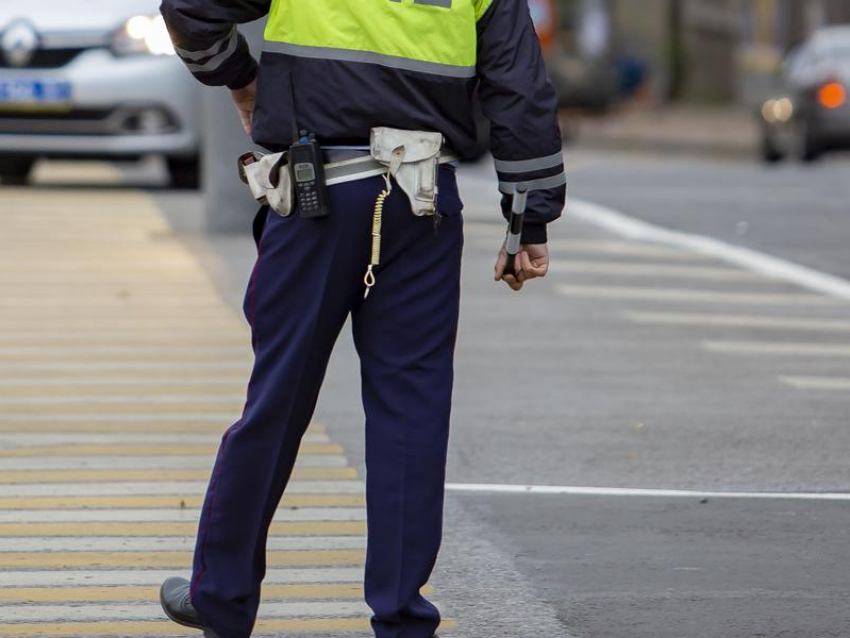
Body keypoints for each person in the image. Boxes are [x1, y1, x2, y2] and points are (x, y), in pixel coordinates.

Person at [157, 0, 566, 637]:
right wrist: (527, 218)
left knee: (278, 399)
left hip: (318, 193)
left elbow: (188, 9)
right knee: (411, 408)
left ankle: (223, 597)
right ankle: (402, 617)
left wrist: (243, 79)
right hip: (422, 203)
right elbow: (519, 87)